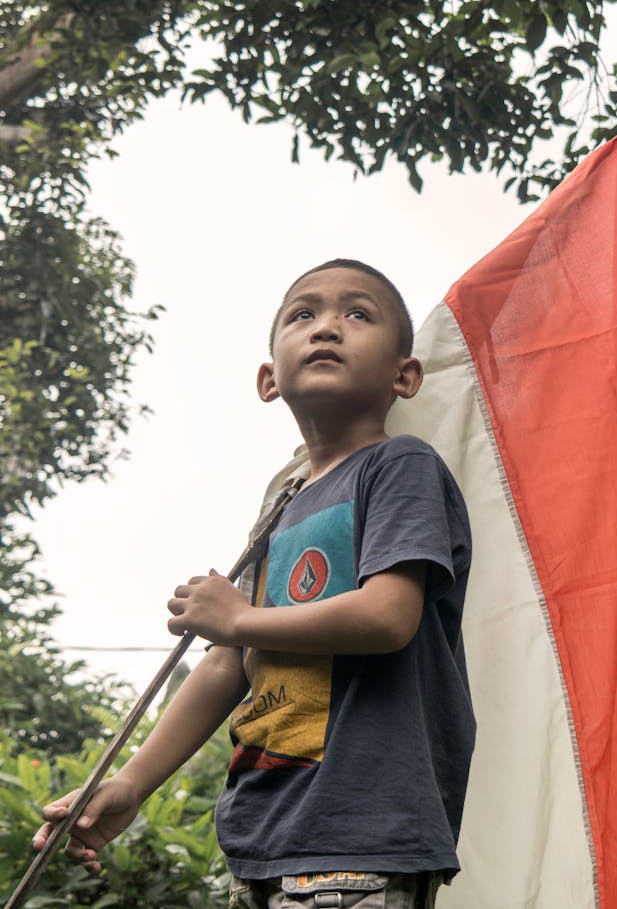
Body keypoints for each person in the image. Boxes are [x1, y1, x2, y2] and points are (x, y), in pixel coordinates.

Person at [33, 259, 475, 909]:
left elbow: (388, 615)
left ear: (405, 375)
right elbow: (225, 666)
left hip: (357, 836)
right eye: (304, 314)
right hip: (260, 837)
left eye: (358, 313)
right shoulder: (281, 508)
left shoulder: (398, 465)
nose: (327, 326)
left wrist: (238, 619)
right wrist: (128, 783)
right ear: (269, 378)